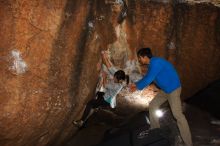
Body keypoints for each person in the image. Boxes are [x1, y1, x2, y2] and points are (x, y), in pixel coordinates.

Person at [129, 48, 193, 146]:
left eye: (140, 58)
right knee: (153, 105)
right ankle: (155, 130)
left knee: (178, 116)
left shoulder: (156, 63)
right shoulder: (152, 64)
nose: (139, 60)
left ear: (145, 57)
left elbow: (149, 78)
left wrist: (137, 87)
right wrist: (136, 84)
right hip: (165, 90)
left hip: (173, 90)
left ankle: (189, 143)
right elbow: (148, 77)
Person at [73, 51, 129, 128]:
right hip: (107, 96)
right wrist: (105, 56)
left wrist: (104, 76)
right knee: (99, 93)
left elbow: (105, 85)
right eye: (114, 76)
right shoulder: (120, 78)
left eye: (114, 78)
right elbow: (110, 67)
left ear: (119, 80)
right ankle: (97, 107)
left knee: (90, 103)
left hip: (107, 101)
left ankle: (81, 121)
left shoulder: (117, 86)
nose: (113, 78)